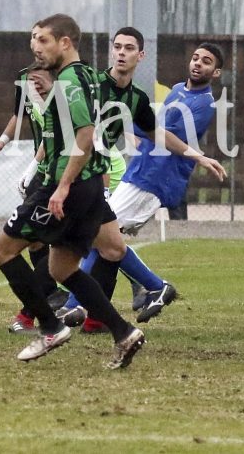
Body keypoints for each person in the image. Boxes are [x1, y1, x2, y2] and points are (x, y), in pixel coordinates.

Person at [0, 14, 147, 370]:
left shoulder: (70, 79)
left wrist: (61, 187)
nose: (36, 47)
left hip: (67, 185)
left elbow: (85, 134)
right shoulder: (88, 74)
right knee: (62, 268)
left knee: (2, 250)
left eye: (43, 40)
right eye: (34, 40)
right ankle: (123, 332)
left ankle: (50, 328)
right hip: (89, 187)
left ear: (65, 43)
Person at [59, 42, 224, 329]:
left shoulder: (204, 103)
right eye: (196, 57)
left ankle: (143, 288)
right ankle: (88, 309)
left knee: (100, 235)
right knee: (105, 239)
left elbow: (163, 136)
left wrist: (128, 122)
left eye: (206, 61)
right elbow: (153, 127)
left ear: (216, 72)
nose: (198, 63)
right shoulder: (178, 89)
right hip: (140, 171)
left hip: (155, 178)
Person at [0, 63, 69, 334]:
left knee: (79, 242)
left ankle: (35, 311)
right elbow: (19, 115)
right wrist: (2, 140)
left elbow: (55, 133)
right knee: (37, 240)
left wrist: (31, 168)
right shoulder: (24, 79)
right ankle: (50, 297)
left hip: (62, 172)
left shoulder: (65, 82)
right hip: (47, 173)